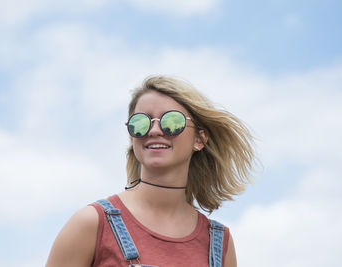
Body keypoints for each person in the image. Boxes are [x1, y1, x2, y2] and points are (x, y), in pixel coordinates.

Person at [46, 75, 255, 267]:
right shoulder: (91, 223)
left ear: (199, 139)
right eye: (141, 123)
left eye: (172, 122)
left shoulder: (219, 245)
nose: (154, 131)